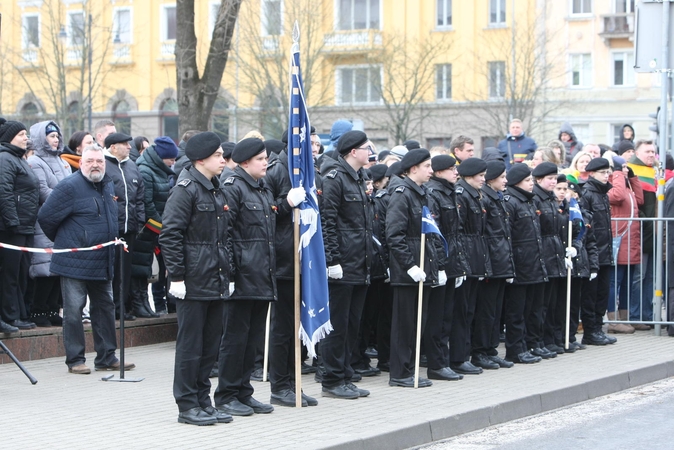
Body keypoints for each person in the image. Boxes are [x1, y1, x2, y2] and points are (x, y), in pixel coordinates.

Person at [38, 145, 135, 374]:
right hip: (74, 262)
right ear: (81, 163)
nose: (95, 165)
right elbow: (46, 218)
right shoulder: (69, 187)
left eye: (99, 161)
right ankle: (75, 360)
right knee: (73, 312)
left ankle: (106, 357)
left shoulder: (108, 183)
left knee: (105, 309)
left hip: (102, 260)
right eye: (90, 161)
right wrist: (70, 242)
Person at [159, 132, 232, 426]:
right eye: (218, 155)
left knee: (210, 346)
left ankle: (204, 400)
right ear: (201, 159)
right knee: (191, 347)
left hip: (214, 280)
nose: (223, 160)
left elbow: (223, 238)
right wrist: (177, 277)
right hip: (191, 282)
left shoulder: (216, 189)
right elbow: (170, 235)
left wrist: (229, 275)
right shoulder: (185, 190)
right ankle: (187, 404)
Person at [214, 138, 278, 416]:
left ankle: (243, 392)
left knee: (251, 340)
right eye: (260, 158)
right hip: (241, 276)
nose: (266, 162)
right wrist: (229, 273)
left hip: (261, 275)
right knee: (235, 340)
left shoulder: (261, 189)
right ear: (244, 162)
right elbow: (224, 235)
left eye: (266, 158)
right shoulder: (233, 187)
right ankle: (227, 395)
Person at [264, 136, 320, 407]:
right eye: (310, 141)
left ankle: (294, 382)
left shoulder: (308, 172)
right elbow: (265, 215)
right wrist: (286, 203)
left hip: (303, 257)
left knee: (295, 326)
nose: (314, 148)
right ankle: (280, 386)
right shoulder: (277, 170)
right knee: (283, 327)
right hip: (285, 259)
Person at [319, 130, 373, 399]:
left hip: (360, 262)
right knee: (337, 325)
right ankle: (332, 379)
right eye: (366, 147)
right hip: (343, 262)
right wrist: (333, 260)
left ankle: (346, 374)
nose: (370, 152)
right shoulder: (334, 178)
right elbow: (327, 222)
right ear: (353, 151)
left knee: (353, 324)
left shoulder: (360, 177)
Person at [386, 149, 439, 388]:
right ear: (413, 168)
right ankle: (399, 373)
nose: (431, 171)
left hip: (423, 267)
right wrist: (409, 266)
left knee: (418, 322)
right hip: (408, 271)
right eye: (427, 166)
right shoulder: (402, 194)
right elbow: (394, 235)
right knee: (404, 324)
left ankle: (409, 369)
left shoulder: (422, 194)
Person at [424, 154, 467, 381]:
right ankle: (436, 364)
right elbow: (435, 233)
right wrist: (440, 265)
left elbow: (455, 234)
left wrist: (457, 266)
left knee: (447, 316)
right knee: (437, 317)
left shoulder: (451, 192)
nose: (456, 173)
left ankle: (444, 360)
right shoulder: (434, 193)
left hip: (452, 262)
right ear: (439, 171)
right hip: (440, 263)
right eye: (451, 169)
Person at [450, 158, 492, 375]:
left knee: (470, 310)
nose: (483, 180)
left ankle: (465, 355)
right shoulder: (462, 195)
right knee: (462, 311)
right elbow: (459, 231)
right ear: (468, 176)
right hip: (466, 255)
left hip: (475, 255)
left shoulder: (475, 194)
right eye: (480, 176)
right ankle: (458, 357)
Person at [27, 120, 71, 327]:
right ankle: (38, 310)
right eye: (51, 136)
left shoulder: (62, 161)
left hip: (64, 221)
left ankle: (53, 308)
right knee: (44, 268)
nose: (56, 140)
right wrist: (70, 200)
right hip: (45, 222)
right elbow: (43, 192)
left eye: (57, 136)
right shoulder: (36, 162)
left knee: (58, 268)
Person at [129, 136, 179, 318]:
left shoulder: (157, 170)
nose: (173, 163)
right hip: (146, 228)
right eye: (171, 159)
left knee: (146, 267)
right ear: (161, 157)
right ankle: (139, 303)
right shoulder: (146, 171)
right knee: (140, 267)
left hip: (154, 229)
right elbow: (147, 204)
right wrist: (162, 227)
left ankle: (144, 303)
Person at [472, 160, 515, 369]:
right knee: (486, 311)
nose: (506, 181)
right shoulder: (485, 199)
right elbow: (485, 234)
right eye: (502, 177)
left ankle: (490, 349)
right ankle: (480, 351)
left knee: (495, 311)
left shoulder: (497, 199)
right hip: (491, 261)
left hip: (500, 260)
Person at [502, 164, 546, 364]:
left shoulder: (529, 201)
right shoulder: (511, 201)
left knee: (532, 308)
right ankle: (515, 349)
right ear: (517, 182)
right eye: (528, 181)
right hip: (520, 264)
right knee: (516, 312)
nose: (532, 184)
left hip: (533, 263)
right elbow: (508, 236)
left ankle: (530, 344)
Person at [0, 118, 39, 332]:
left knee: (22, 273)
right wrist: (12, 221)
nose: (26, 138)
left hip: (26, 226)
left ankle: (20, 314)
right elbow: (4, 191)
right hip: (11, 228)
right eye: (22, 134)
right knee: (10, 274)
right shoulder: (5, 158)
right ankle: (10, 316)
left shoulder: (19, 159)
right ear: (9, 138)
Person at [104, 132, 146, 321]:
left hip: (129, 229)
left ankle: (121, 308)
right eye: (125, 144)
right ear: (113, 147)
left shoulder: (132, 167)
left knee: (125, 271)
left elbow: (140, 197)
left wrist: (140, 221)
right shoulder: (103, 165)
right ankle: (108, 309)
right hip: (109, 230)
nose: (130, 147)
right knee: (110, 271)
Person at [579, 158, 616, 346]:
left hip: (605, 251)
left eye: (608, 172)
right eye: (602, 172)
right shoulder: (587, 194)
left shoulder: (603, 193)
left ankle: (597, 328)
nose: (606, 175)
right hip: (594, 252)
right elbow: (586, 227)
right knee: (591, 295)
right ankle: (590, 330)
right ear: (592, 173)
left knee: (602, 293)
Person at [531, 162, 566, 358]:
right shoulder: (536, 198)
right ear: (539, 180)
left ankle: (550, 339)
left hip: (554, 251)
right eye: (550, 179)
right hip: (543, 251)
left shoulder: (551, 199)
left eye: (555, 178)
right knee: (541, 304)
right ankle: (540, 340)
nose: (553, 182)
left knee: (552, 302)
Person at [607, 155, 643, 334]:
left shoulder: (625, 184)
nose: (625, 170)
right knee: (614, 281)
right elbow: (618, 195)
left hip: (630, 241)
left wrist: (633, 178)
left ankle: (625, 317)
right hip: (619, 240)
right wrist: (618, 174)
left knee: (627, 283)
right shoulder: (612, 184)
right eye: (623, 167)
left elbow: (640, 200)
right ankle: (613, 320)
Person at [626, 140, 657, 328]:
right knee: (639, 277)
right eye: (647, 151)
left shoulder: (655, 173)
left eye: (654, 151)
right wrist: (646, 223)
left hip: (654, 233)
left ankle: (647, 314)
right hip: (642, 231)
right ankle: (635, 315)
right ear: (637, 153)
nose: (651, 154)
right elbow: (635, 204)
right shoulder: (631, 171)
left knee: (651, 277)